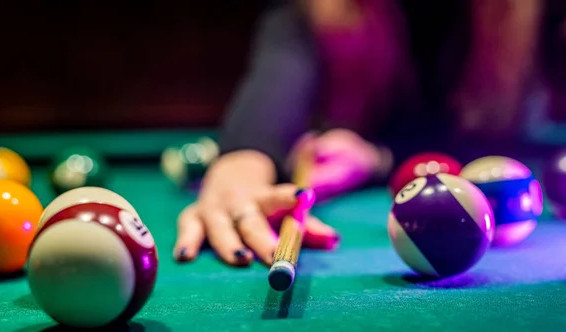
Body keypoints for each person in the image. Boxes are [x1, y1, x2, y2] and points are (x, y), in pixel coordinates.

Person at [173, 0, 544, 267]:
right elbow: (280, 71)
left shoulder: (540, 16)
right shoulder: (307, 11)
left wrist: (377, 158)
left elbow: (481, 134)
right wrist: (242, 163)